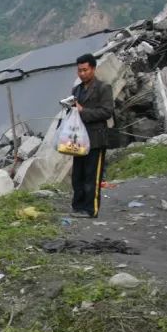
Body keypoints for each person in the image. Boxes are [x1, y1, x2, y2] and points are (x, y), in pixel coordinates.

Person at [69, 53, 114, 218]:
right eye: (79, 70)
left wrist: (83, 111)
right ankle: (78, 206)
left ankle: (90, 209)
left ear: (93, 69)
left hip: (95, 139)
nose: (82, 73)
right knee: (77, 175)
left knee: (91, 175)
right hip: (78, 139)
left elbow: (107, 112)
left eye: (85, 70)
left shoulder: (103, 88)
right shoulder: (76, 90)